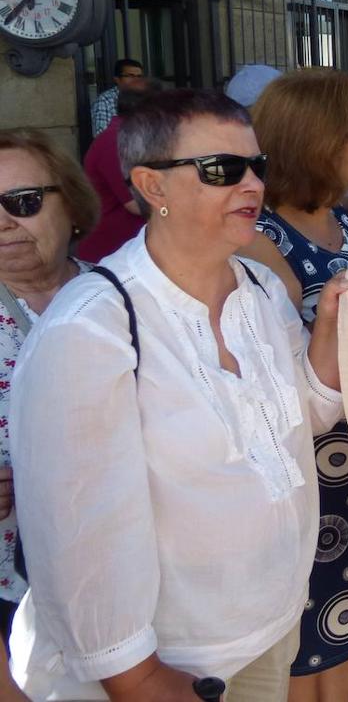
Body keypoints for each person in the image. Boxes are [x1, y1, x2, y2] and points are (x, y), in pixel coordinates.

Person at [9, 89, 348, 701]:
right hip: (169, 664)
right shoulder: (92, 329)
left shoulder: (259, 290)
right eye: (223, 170)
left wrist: (330, 322)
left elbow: (305, 416)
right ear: (153, 186)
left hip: (270, 624)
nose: (250, 184)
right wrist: (137, 677)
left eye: (259, 166)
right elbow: (76, 538)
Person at [238, 68, 348, 702]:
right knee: (301, 652)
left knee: (345, 630)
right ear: (316, 141)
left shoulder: (343, 227)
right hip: (308, 477)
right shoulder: (260, 243)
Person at [0, 130, 100, 642]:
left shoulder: (124, 296)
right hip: (13, 582)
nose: (3, 221)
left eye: (22, 202)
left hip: (120, 566)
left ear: (73, 206)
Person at [77, 83, 161, 262]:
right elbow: (136, 205)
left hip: (130, 248)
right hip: (110, 252)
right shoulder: (114, 141)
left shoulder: (129, 138)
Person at [90, 58, 147, 136]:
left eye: (139, 76)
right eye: (130, 76)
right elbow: (102, 137)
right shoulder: (105, 101)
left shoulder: (146, 99)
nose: (136, 80)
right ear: (117, 79)